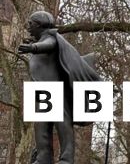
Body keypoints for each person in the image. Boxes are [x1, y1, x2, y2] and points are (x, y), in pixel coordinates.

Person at [18, 10, 101, 164]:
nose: (28, 26)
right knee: (41, 126)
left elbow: (48, 45)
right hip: (43, 91)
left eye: (30, 23)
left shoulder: (50, 37)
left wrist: (34, 48)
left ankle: (66, 158)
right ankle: (44, 156)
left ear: (39, 25)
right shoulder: (40, 39)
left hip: (55, 90)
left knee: (62, 123)